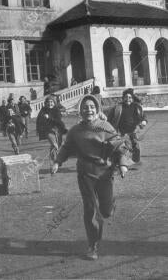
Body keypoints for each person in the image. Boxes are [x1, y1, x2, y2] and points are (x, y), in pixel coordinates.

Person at [52, 94, 129, 260]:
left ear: (97, 109)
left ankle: (109, 206)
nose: (89, 110)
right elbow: (66, 148)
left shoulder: (105, 126)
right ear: (81, 110)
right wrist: (58, 161)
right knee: (90, 210)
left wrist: (123, 164)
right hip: (85, 174)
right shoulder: (75, 130)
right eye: (85, 107)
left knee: (106, 211)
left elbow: (120, 146)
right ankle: (93, 245)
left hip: (105, 173)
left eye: (92, 107)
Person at [107, 88, 147, 163]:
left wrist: (144, 121)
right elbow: (109, 118)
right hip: (121, 131)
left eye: (130, 97)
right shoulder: (118, 108)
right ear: (123, 98)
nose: (128, 99)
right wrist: (109, 127)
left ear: (132, 98)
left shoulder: (136, 107)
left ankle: (136, 162)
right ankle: (122, 162)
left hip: (133, 131)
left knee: (136, 147)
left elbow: (143, 116)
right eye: (126, 97)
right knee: (123, 147)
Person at [36, 96, 67, 167]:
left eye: (51, 102)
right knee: (54, 145)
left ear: (54, 103)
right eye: (48, 102)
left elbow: (58, 121)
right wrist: (39, 128)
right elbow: (39, 120)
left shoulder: (56, 110)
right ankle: (53, 164)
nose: (50, 104)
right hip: (48, 130)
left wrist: (49, 118)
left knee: (56, 147)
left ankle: (56, 161)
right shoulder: (43, 110)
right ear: (46, 103)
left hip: (58, 130)